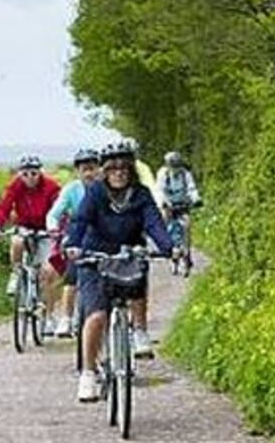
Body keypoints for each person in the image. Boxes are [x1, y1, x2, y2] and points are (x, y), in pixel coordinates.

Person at [67, 140, 172, 402]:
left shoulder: (141, 194)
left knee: (139, 276)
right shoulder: (95, 193)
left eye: (124, 166)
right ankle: (88, 374)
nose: (119, 171)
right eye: (112, 167)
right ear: (104, 170)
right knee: (97, 315)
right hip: (95, 256)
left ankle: (139, 331)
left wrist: (170, 247)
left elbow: (154, 223)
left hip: (129, 253)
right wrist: (72, 244)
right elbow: (80, 221)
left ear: (131, 169)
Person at [0, 154, 62, 328]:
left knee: (47, 273)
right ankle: (16, 273)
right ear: (20, 174)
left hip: (46, 229)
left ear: (40, 173)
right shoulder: (16, 186)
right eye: (26, 173)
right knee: (17, 242)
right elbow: (4, 206)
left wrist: (58, 229)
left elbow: (59, 209)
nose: (30, 177)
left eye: (34, 173)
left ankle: (50, 315)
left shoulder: (51, 187)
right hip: (24, 226)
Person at [45, 148, 101, 337]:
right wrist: (53, 228)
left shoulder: (108, 188)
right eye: (84, 169)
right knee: (72, 277)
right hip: (78, 237)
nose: (89, 173)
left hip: (105, 236)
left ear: (99, 169)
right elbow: (54, 214)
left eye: (93, 168)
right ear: (78, 171)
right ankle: (66, 318)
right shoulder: (71, 189)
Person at [156, 151, 202, 257]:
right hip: (168, 203)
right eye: (173, 166)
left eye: (177, 165)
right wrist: (164, 202)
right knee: (165, 220)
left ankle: (186, 247)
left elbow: (191, 188)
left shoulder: (185, 174)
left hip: (182, 203)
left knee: (187, 223)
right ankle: (166, 245)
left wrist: (196, 199)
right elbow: (159, 189)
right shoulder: (163, 173)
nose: (175, 168)